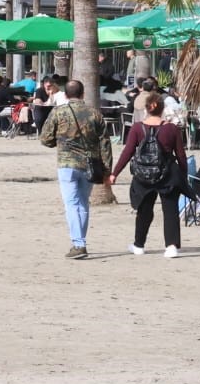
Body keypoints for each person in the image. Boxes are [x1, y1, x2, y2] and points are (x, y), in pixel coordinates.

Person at [110, 92, 186, 257]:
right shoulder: (172, 128)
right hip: (168, 173)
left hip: (144, 174)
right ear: (162, 109)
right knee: (170, 210)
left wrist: (114, 173)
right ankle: (171, 246)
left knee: (144, 210)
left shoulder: (138, 127)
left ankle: (139, 245)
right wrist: (183, 175)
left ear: (147, 109)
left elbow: (128, 152)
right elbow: (181, 155)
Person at [40, 79, 105, 259]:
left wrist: (59, 142)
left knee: (71, 204)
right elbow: (105, 143)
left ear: (66, 95)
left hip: (66, 163)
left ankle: (78, 243)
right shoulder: (94, 113)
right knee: (83, 203)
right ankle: (80, 241)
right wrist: (107, 168)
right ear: (83, 94)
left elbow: (45, 139)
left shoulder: (58, 112)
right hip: (89, 163)